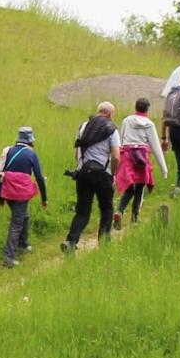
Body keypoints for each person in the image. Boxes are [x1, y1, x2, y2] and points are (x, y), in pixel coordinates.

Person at [62, 103, 118, 254]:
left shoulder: (83, 126)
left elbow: (76, 153)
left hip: (83, 173)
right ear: (111, 114)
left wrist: (81, 169)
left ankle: (71, 241)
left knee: (82, 211)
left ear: (99, 111)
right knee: (106, 208)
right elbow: (115, 156)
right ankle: (104, 243)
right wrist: (113, 174)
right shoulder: (111, 129)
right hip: (102, 174)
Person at [0, 126, 47, 268]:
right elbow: (39, 178)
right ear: (30, 141)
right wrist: (44, 198)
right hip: (21, 193)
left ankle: (23, 243)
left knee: (24, 216)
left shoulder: (8, 150)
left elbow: (0, 170)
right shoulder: (31, 155)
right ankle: (8, 257)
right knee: (16, 223)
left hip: (7, 191)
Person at [113, 96, 165, 227]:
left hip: (127, 155)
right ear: (147, 109)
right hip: (141, 157)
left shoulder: (127, 120)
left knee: (129, 188)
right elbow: (156, 147)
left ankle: (119, 210)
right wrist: (164, 169)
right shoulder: (149, 124)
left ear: (135, 107)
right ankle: (135, 218)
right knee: (140, 188)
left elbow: (122, 138)